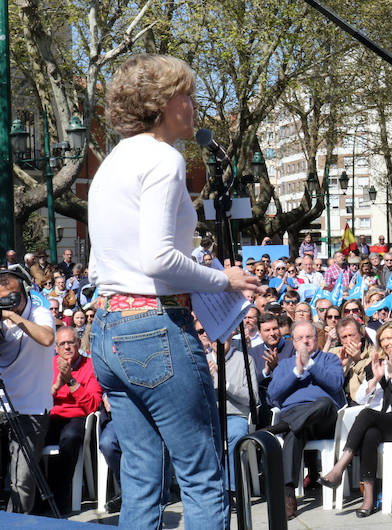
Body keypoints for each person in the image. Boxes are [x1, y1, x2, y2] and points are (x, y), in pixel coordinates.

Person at [87, 54, 260, 528]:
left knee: (142, 479)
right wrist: (223, 279)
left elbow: (99, 263)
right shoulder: (163, 159)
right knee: (202, 476)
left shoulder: (112, 162)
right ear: (163, 104)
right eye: (186, 95)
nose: (193, 104)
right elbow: (158, 259)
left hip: (107, 329)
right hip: (154, 329)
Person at [318, 321, 392, 517]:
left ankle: (340, 466)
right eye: (382, 339)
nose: (385, 343)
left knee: (366, 414)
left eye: (389, 337)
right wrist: (374, 380)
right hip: (378, 422)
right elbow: (359, 398)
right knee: (369, 434)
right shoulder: (377, 363)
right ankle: (368, 500)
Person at [266, 320, 344, 519]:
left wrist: (310, 364)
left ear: (316, 338)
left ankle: (285, 425)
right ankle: (288, 493)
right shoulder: (284, 365)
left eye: (309, 337)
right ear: (293, 341)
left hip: (323, 419)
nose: (305, 341)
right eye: (300, 338)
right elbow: (273, 396)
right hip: (297, 417)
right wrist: (297, 372)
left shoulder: (329, 359)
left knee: (324, 403)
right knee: (295, 432)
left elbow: (335, 385)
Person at [0, 267, 56, 514]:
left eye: (10, 296)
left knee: (21, 481)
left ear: (23, 293)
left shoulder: (40, 313)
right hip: (2, 403)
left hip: (31, 409)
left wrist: (13, 317)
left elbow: (46, 338)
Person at [198, 321, 258, 507]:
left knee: (233, 435)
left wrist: (224, 384)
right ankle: (208, 491)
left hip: (235, 415)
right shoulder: (201, 360)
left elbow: (252, 398)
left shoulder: (244, 360)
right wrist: (204, 381)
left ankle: (231, 490)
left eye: (223, 335)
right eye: (213, 335)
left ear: (231, 335)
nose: (218, 340)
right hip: (208, 416)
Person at [46, 326, 103, 511]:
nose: (67, 347)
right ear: (56, 348)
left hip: (76, 417)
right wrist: (56, 386)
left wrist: (71, 381)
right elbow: (39, 398)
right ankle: (35, 498)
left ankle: (59, 498)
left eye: (70, 342)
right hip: (51, 416)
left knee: (70, 438)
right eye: (62, 344)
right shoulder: (48, 365)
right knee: (28, 438)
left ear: (78, 344)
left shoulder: (90, 365)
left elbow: (93, 405)